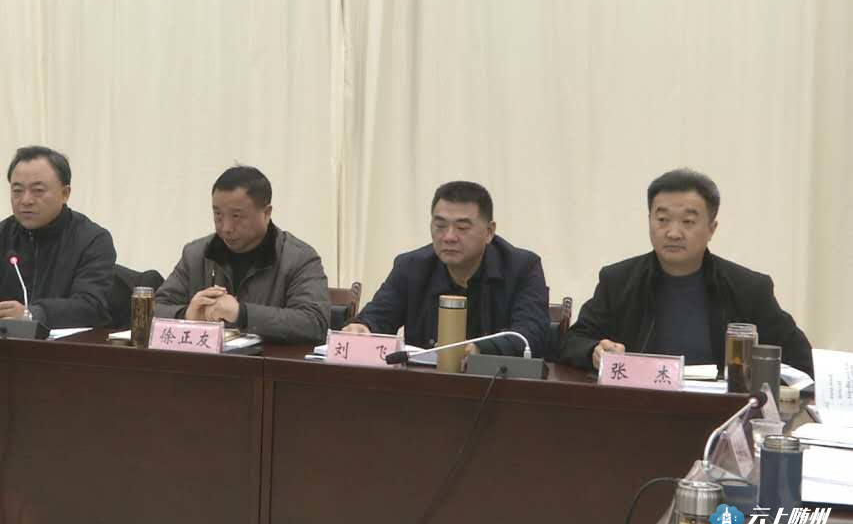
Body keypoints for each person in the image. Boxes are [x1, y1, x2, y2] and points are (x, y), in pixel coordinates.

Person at [559, 168, 813, 376]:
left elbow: (801, 360)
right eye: (662, 220)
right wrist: (594, 351)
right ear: (649, 220)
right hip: (638, 407)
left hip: (719, 411)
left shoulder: (748, 288)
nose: (673, 233)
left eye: (688, 222)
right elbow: (572, 342)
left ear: (712, 228)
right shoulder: (619, 280)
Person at [343, 181, 549, 365]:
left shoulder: (522, 267)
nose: (449, 237)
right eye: (440, 226)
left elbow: (531, 334)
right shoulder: (411, 266)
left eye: (462, 228)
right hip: (425, 386)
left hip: (498, 387)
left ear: (489, 232)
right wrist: (363, 327)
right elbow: (379, 316)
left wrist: (481, 349)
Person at [0, 146, 115, 329]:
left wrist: (33, 314)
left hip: (66, 345)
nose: (26, 200)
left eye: (38, 190)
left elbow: (91, 306)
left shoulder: (92, 241)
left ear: (65, 194)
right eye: (17, 191)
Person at [153, 166, 329, 344]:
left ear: (266, 213)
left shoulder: (299, 258)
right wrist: (186, 316)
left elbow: (315, 324)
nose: (226, 228)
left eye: (236, 216)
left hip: (268, 361)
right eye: (218, 214)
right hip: (204, 360)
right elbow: (155, 309)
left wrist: (242, 314)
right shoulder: (196, 254)